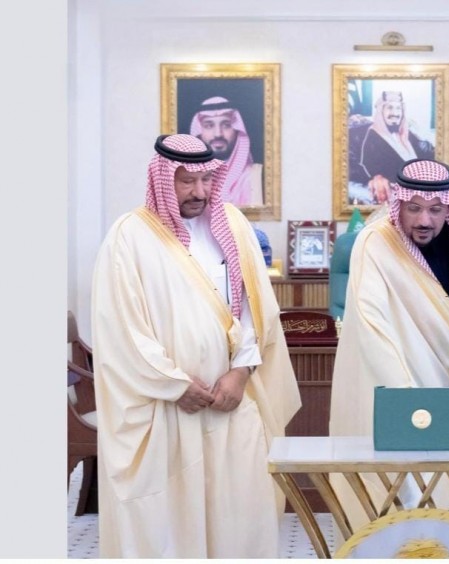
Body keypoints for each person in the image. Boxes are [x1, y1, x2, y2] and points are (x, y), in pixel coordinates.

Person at [91, 134, 301, 558]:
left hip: (232, 400)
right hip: (167, 407)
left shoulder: (234, 225)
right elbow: (120, 328)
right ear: (162, 178)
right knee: (171, 524)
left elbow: (256, 308)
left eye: (207, 180)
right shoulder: (129, 236)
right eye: (187, 181)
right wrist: (174, 384)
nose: (199, 192)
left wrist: (241, 371)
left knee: (239, 513)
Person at [328, 158, 449, 537]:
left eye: (436, 209)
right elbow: (373, 329)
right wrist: (411, 404)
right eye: (414, 208)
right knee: (407, 500)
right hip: (402, 395)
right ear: (399, 204)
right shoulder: (376, 244)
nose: (425, 220)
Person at [348, 90, 436, 204]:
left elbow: (429, 154)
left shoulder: (407, 135)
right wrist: (376, 178)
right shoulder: (372, 138)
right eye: (390, 108)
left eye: (398, 108)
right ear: (381, 112)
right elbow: (368, 170)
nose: (395, 113)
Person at [190, 96, 264, 206]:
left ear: (237, 129)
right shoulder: (187, 178)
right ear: (199, 131)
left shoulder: (254, 177)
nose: (218, 134)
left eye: (226, 125)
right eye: (209, 126)